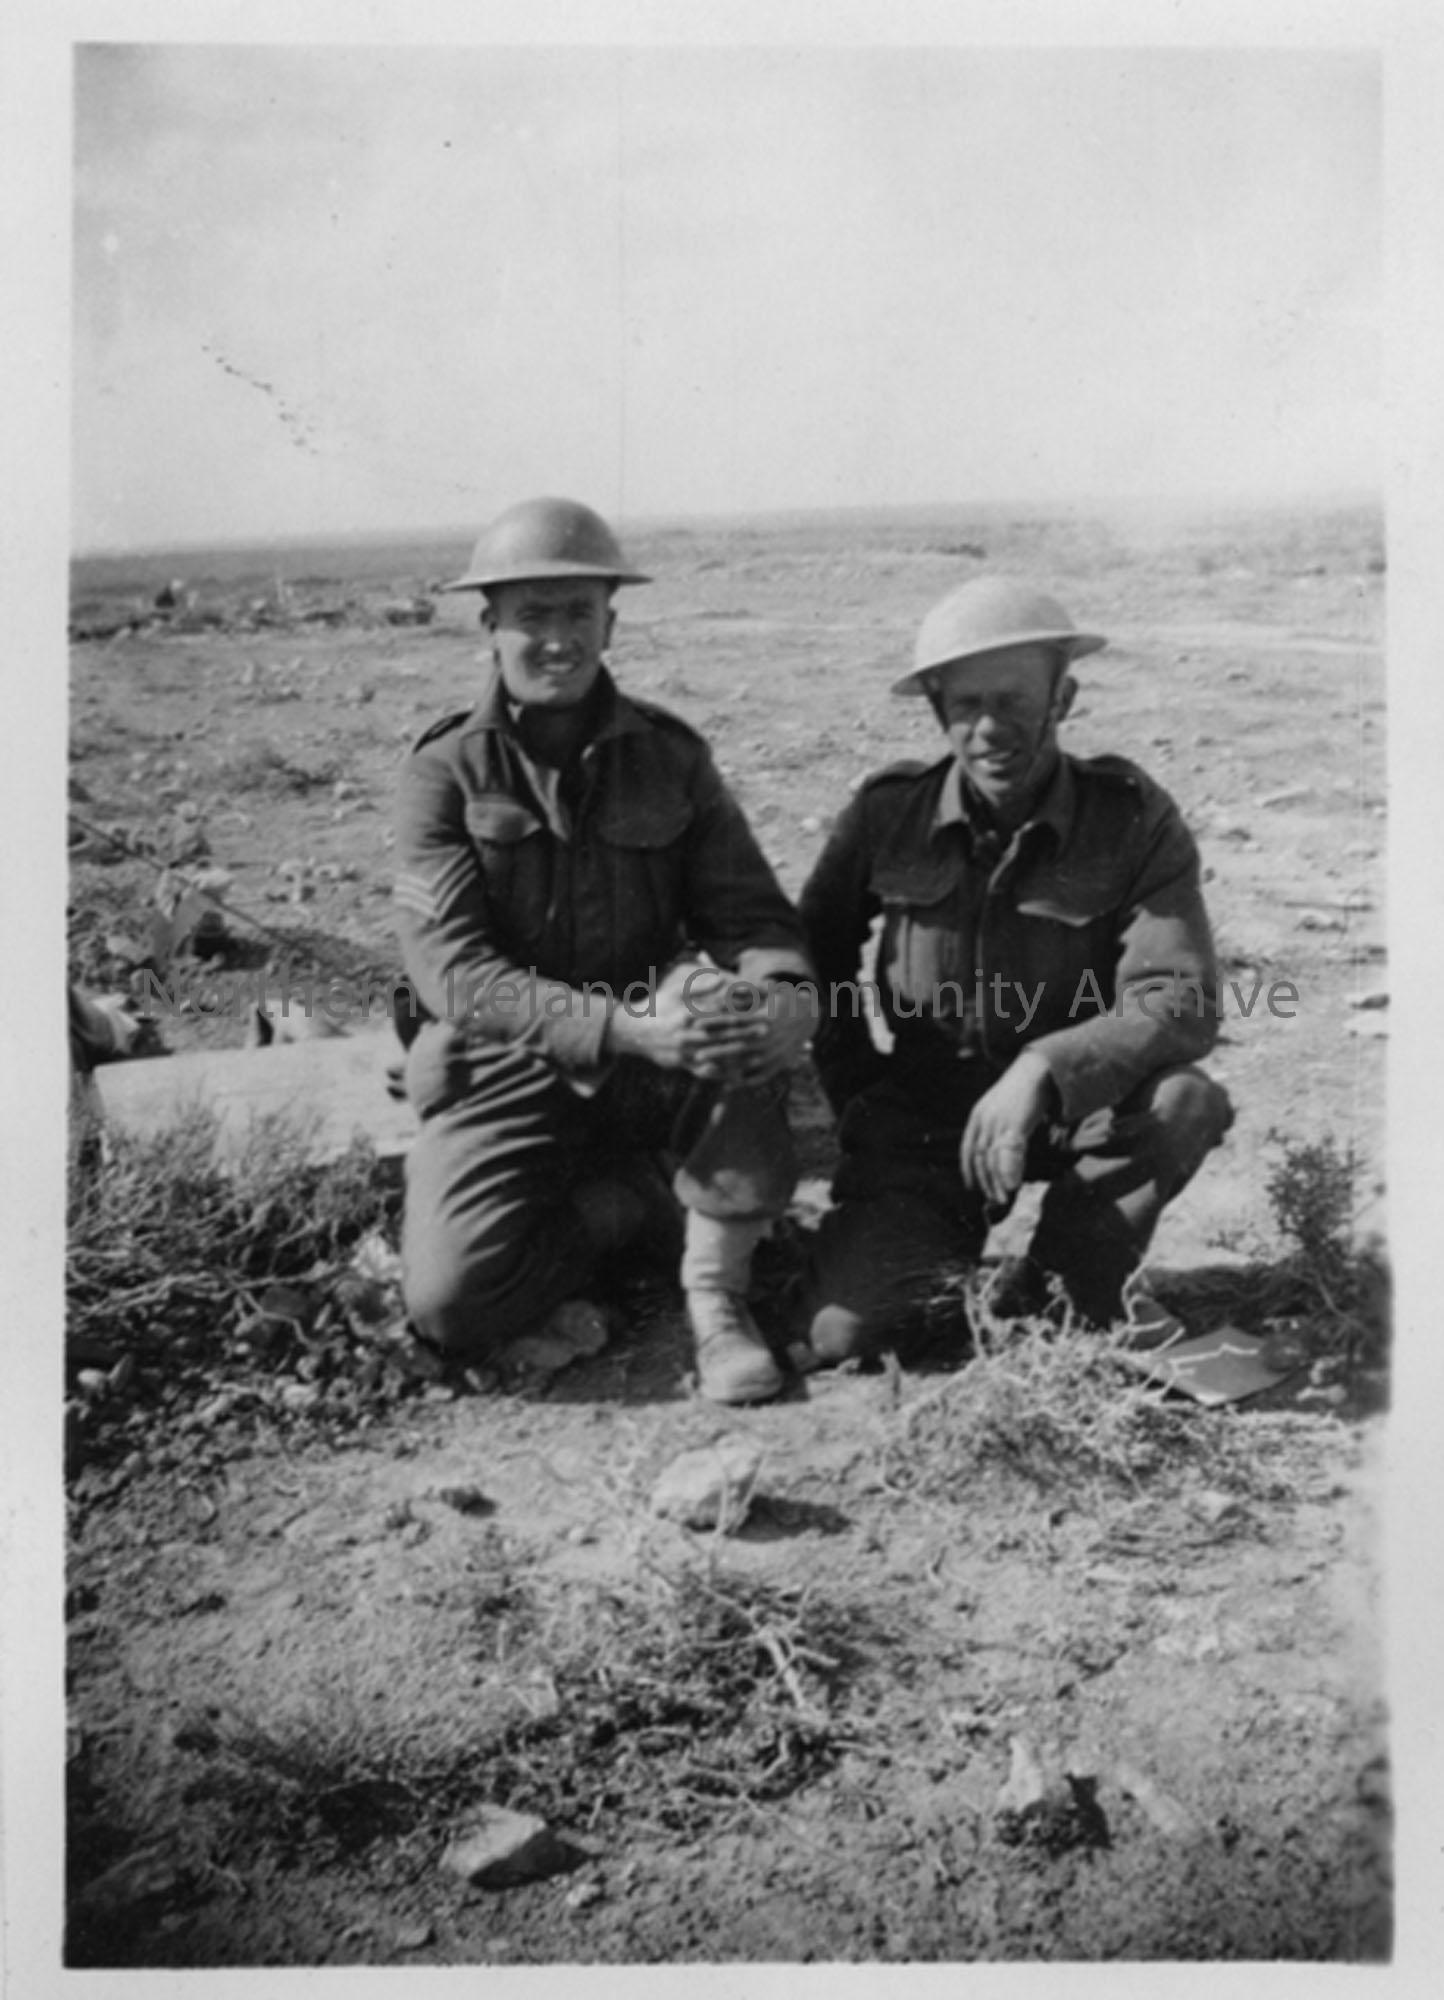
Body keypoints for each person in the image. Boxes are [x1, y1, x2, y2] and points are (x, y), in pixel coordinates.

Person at [392, 497, 815, 1403]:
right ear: (490, 627)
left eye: (578, 613)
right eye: (532, 615)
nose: (558, 639)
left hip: (659, 1054)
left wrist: (783, 993)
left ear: (610, 624)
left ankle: (717, 1302)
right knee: (452, 1301)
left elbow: (753, 918)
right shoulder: (444, 774)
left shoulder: (671, 757)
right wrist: (622, 1031)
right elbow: (455, 974)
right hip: (507, 1057)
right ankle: (635, 1207)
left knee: (737, 1017)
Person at [797, 575, 1233, 1360]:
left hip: (1076, 1110)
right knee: (853, 1332)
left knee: (1183, 1101)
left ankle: (1061, 1280)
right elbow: (812, 958)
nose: (990, 728)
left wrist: (1042, 1069)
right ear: (938, 710)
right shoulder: (887, 815)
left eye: (1015, 701)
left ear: (1063, 698)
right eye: (966, 705)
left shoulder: (1130, 816)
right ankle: (937, 1257)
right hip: (929, 1120)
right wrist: (855, 1086)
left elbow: (1180, 996)